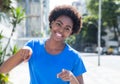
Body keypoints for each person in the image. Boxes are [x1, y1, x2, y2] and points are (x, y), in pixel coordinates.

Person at [0, 5, 86, 84]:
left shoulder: (75, 57)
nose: (61, 30)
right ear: (52, 23)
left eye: (67, 28)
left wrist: (71, 77)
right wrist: (22, 52)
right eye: (58, 24)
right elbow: (3, 70)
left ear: (71, 32)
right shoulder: (33, 46)